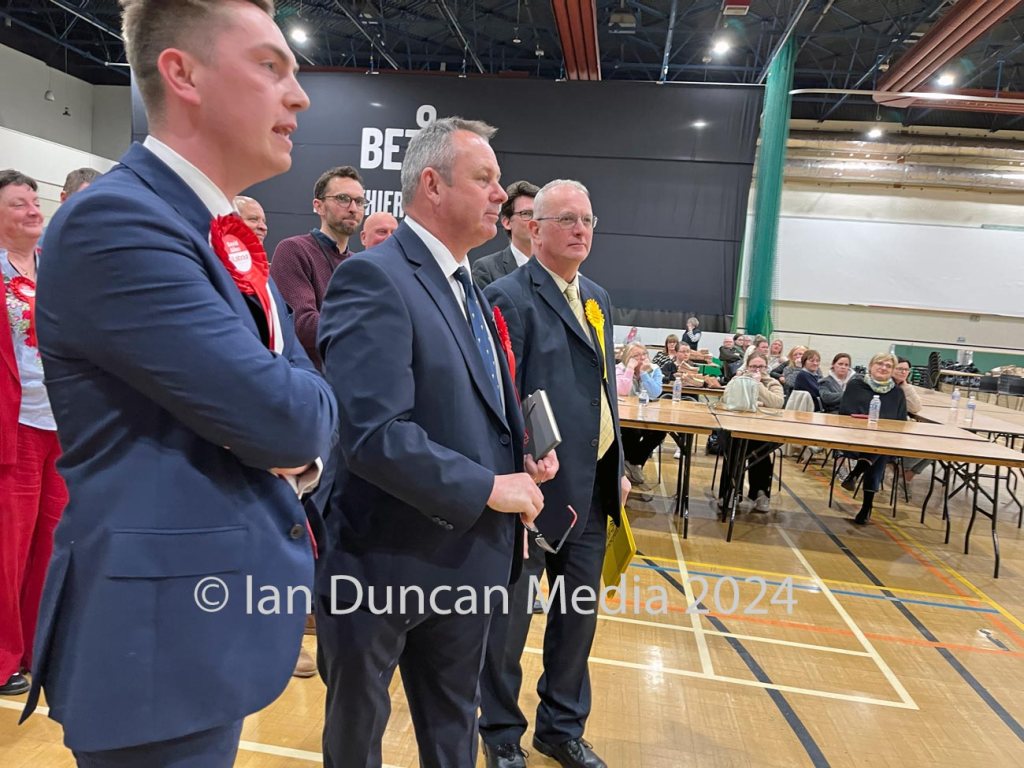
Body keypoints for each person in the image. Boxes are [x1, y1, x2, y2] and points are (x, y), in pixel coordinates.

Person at [25, 2, 338, 765]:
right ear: (182, 73)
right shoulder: (116, 222)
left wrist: (296, 428)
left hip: (197, 631)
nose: (299, 95)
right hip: (154, 646)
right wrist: (298, 434)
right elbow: (291, 414)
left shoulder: (209, 228)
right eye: (270, 66)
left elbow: (297, 391)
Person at [315, 117, 556, 768]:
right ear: (432, 184)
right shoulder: (374, 277)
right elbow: (373, 435)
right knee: (357, 739)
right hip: (382, 562)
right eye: (485, 178)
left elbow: (467, 406)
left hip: (466, 559)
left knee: (453, 735)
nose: (501, 194)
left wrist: (519, 454)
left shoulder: (466, 285)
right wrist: (489, 486)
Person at [480, 179, 626, 768]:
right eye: (567, 219)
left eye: (587, 220)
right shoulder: (508, 296)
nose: (580, 230)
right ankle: (500, 733)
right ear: (533, 228)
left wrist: (618, 466)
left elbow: (603, 389)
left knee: (576, 621)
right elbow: (499, 397)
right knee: (508, 626)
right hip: (533, 494)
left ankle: (561, 728)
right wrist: (514, 468)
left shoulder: (598, 297)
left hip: (592, 491)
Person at [0, 170, 68, 697]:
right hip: (13, 427)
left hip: (61, 425)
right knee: (9, 548)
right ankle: (4, 657)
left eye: (34, 200)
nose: (32, 209)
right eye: (18, 203)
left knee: (51, 542)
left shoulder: (55, 267)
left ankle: (36, 647)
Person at [270, 165, 366, 369]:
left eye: (359, 201)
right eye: (343, 198)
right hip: (308, 378)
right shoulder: (293, 250)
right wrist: (367, 329)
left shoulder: (360, 264)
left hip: (351, 377)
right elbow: (302, 326)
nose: (353, 208)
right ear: (319, 206)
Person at [839, 353, 908, 525]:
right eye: (879, 363)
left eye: (888, 366)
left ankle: (855, 475)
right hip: (854, 436)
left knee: (880, 448)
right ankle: (866, 505)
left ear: (892, 370)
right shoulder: (856, 385)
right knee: (878, 450)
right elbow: (845, 411)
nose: (883, 368)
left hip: (883, 440)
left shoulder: (897, 393)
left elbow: (901, 422)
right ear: (870, 366)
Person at [717, 353, 784, 512]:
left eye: (761, 366)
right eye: (753, 366)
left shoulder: (772, 383)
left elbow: (777, 403)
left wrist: (757, 385)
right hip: (737, 428)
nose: (757, 370)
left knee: (760, 452)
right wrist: (759, 402)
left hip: (762, 430)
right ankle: (731, 491)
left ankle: (760, 493)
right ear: (747, 367)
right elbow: (726, 400)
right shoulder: (737, 380)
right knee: (734, 449)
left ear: (766, 367)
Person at [472, 179, 539, 289]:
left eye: (539, 214)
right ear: (507, 222)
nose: (535, 221)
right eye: (526, 213)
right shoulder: (487, 269)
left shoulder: (557, 266)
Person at [616, 342, 663, 486]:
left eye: (644, 354)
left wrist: (644, 374)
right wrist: (630, 369)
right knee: (632, 432)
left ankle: (633, 462)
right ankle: (633, 465)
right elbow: (622, 391)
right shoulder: (619, 369)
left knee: (659, 431)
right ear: (627, 357)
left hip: (647, 414)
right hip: (625, 415)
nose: (641, 358)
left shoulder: (654, 369)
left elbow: (655, 393)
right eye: (636, 355)